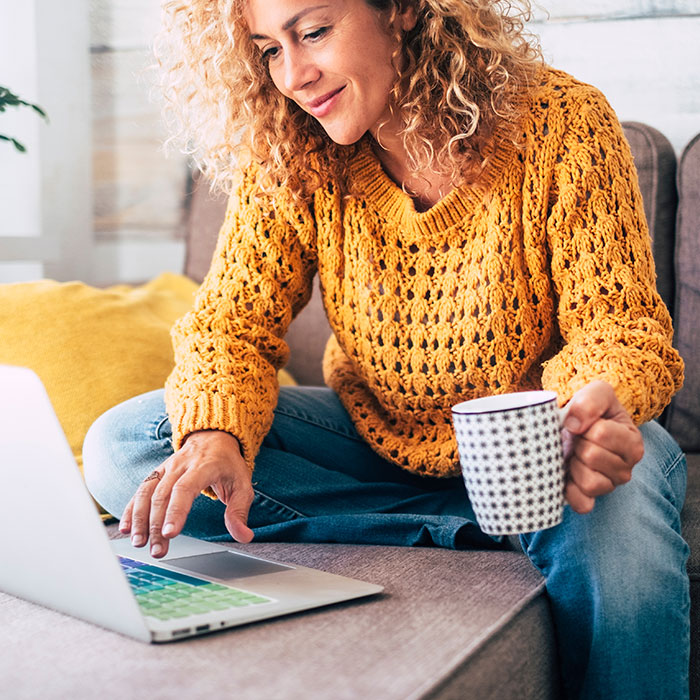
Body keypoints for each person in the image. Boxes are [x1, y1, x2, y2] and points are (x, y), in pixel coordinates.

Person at [82, 0, 690, 697]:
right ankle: (488, 528)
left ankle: (515, 517)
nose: (295, 75)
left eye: (312, 32)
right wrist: (217, 433)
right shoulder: (292, 147)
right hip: (378, 442)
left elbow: (620, 329)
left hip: (543, 451)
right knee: (126, 445)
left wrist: (580, 416)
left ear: (402, 10)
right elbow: (230, 325)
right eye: (269, 49)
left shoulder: (563, 124)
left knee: (621, 512)